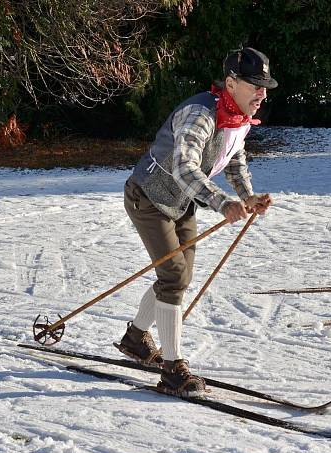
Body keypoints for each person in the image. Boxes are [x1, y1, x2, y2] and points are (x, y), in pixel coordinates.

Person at [115, 47, 276, 395]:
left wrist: (246, 195)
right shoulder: (199, 114)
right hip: (149, 198)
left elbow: (233, 159)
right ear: (231, 83)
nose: (262, 94)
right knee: (173, 276)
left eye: (265, 86)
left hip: (182, 202)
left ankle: (135, 338)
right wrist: (221, 202)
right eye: (255, 85)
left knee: (177, 276)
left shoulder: (238, 117)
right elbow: (184, 166)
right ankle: (173, 370)